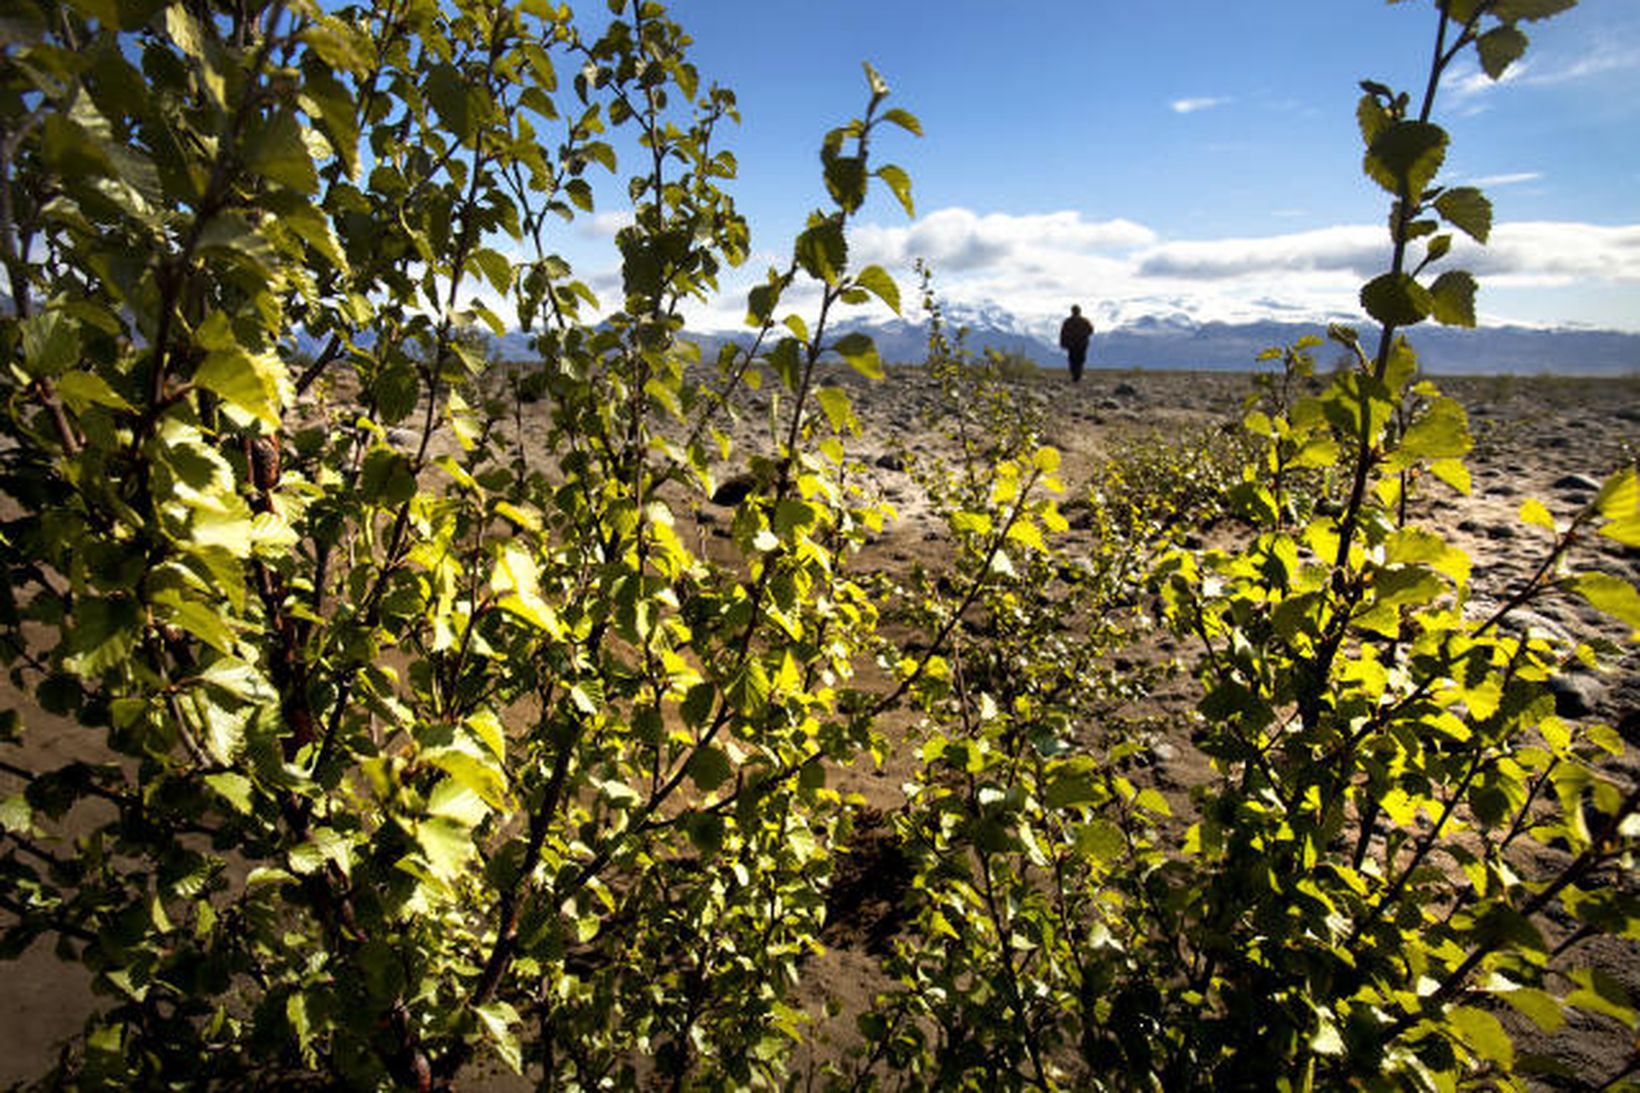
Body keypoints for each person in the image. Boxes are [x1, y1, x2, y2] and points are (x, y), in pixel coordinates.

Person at [1059, 305, 1094, 382]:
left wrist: (1063, 343)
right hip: (1082, 344)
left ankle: (1075, 375)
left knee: (1073, 359)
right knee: (1080, 360)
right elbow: (1091, 330)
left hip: (1072, 345)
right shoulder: (1085, 321)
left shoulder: (1067, 322)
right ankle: (1078, 375)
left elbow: (1063, 333)